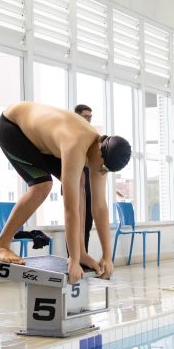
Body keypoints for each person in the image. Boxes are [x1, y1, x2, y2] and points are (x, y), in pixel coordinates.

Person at [0, 102, 131, 283]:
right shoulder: (75, 144)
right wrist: (73, 260)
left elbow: (100, 207)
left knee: (80, 180)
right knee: (42, 186)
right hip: (13, 127)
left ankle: (82, 251)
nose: (102, 173)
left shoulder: (101, 155)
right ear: (100, 150)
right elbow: (70, 209)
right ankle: (0, 245)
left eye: (107, 171)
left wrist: (107, 256)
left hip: (41, 140)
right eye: (103, 168)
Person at [74, 104, 93, 252]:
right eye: (85, 117)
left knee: (87, 224)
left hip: (88, 184)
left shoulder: (91, 136)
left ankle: (84, 255)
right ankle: (73, 257)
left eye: (90, 117)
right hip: (74, 183)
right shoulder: (71, 134)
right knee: (75, 223)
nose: (88, 120)